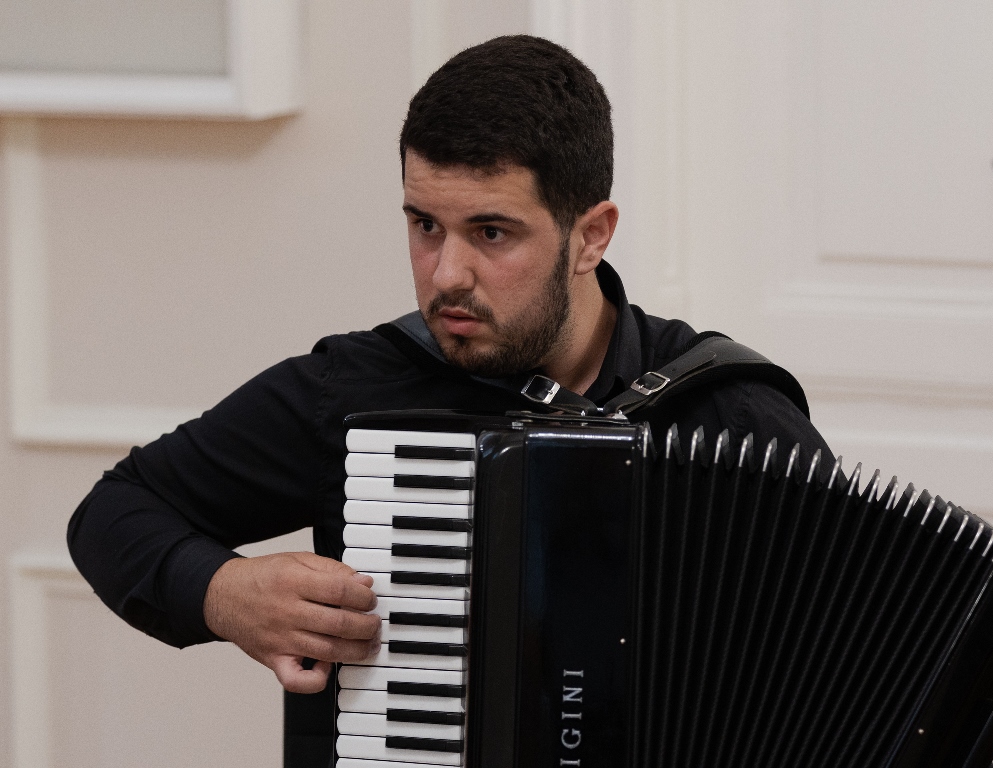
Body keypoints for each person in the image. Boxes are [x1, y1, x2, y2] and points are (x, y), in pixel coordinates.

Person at [68, 33, 832, 761]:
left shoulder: (731, 419)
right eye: (425, 225)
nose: (445, 274)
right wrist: (221, 591)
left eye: (491, 233)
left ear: (591, 235)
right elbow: (116, 510)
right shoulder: (363, 388)